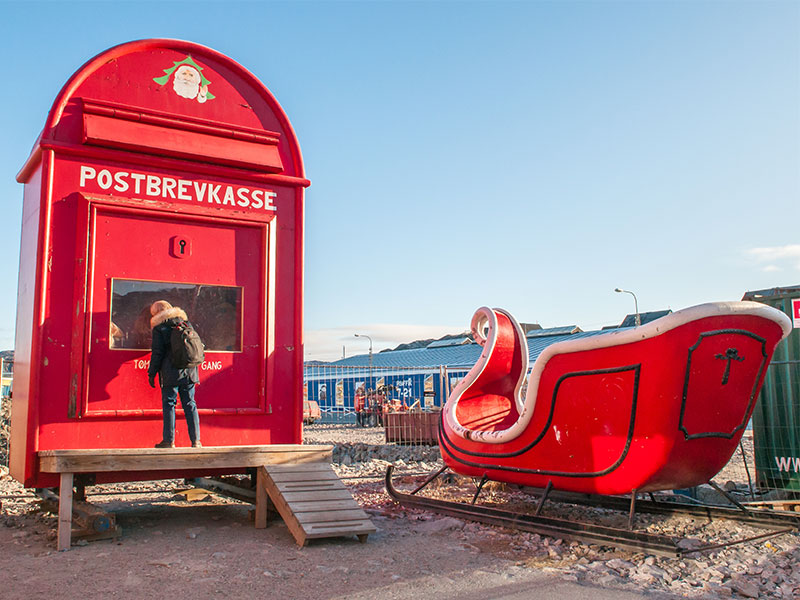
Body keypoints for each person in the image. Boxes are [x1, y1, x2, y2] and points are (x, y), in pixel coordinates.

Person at [148, 300, 202, 448]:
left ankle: (169, 440)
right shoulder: (186, 323)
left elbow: (157, 353)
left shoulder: (160, 328)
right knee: (190, 404)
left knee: (169, 404)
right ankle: (196, 441)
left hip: (171, 372)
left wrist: (151, 373)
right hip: (190, 371)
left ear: (156, 313)